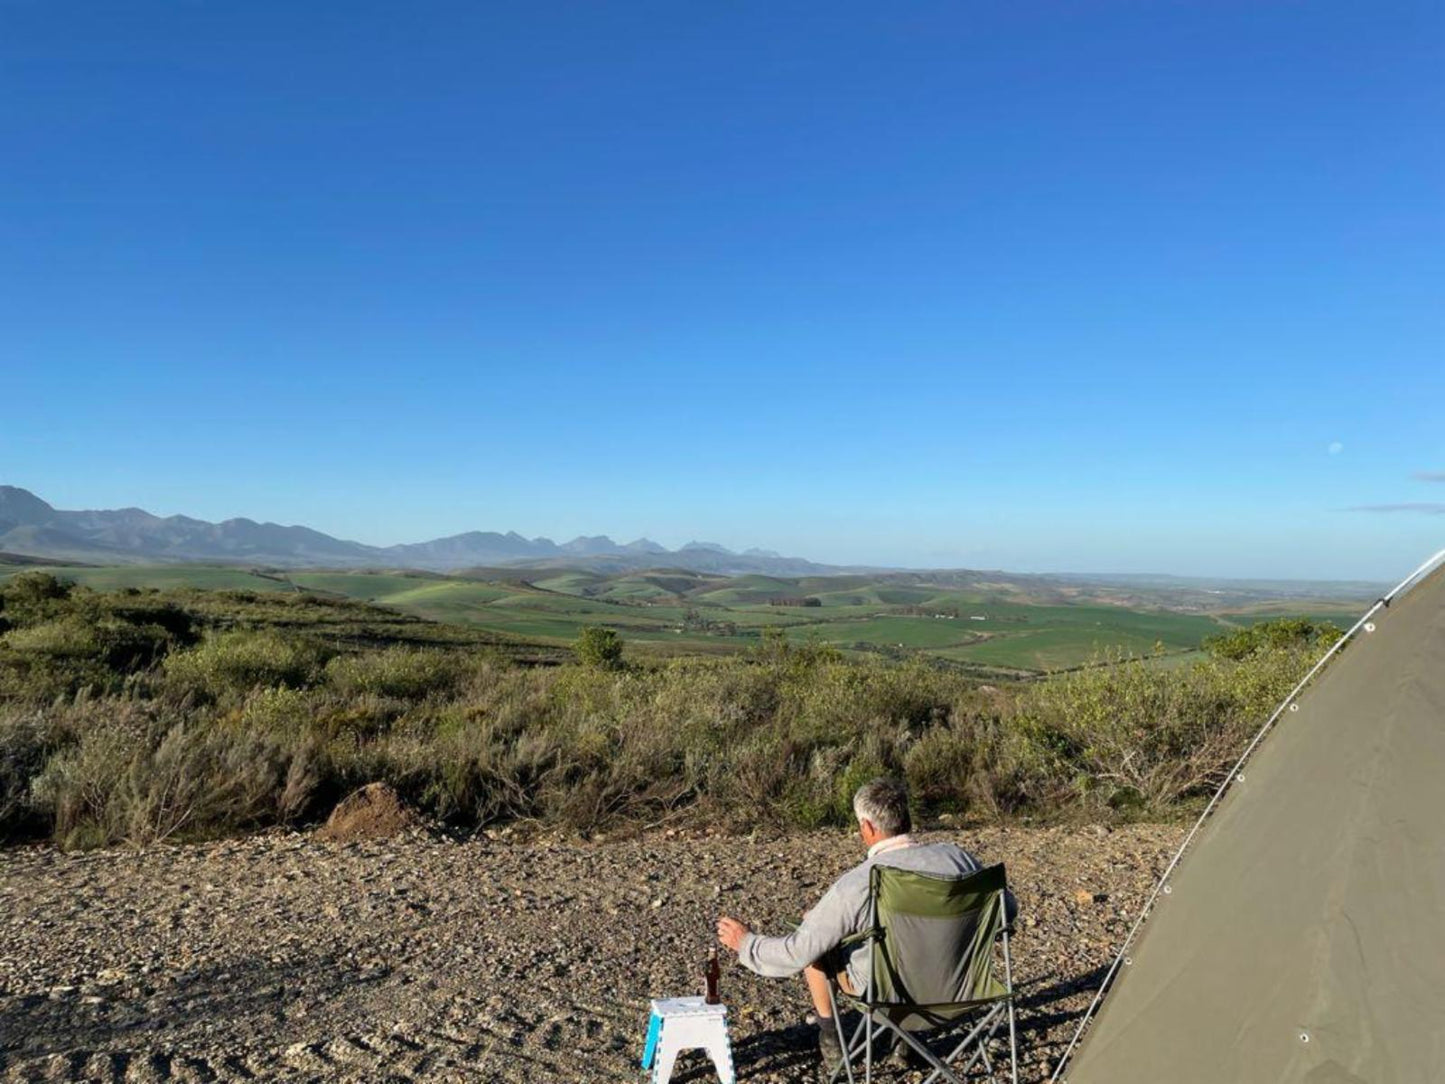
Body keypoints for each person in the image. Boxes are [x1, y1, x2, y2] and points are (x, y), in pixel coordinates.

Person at [715, 777, 1017, 1070]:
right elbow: (1007, 911)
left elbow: (797, 952)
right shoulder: (959, 859)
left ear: (867, 827)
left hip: (886, 999)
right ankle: (906, 1041)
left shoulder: (860, 883)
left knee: (818, 942)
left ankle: (833, 1040)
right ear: (905, 818)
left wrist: (747, 943)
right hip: (963, 992)